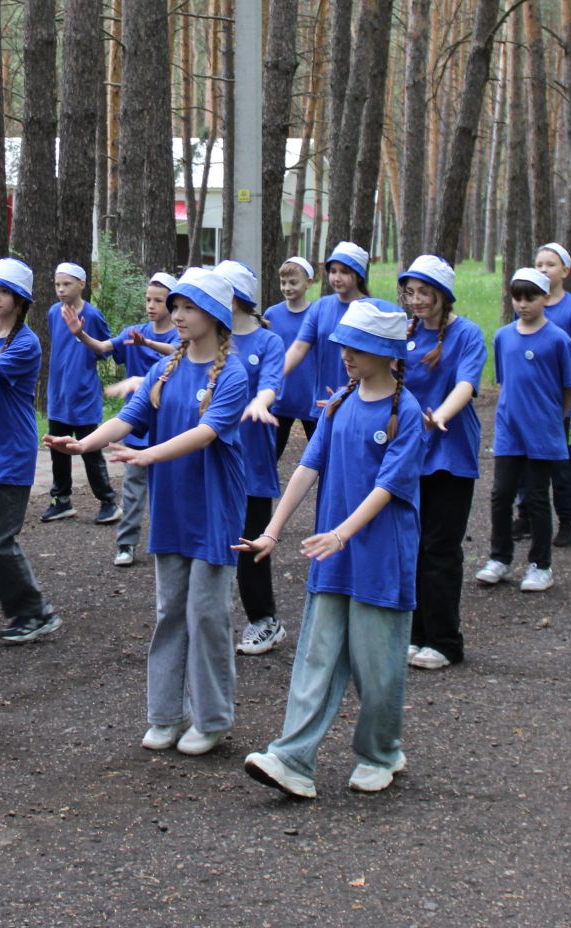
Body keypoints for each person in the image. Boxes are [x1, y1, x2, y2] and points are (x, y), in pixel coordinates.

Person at [47, 267, 249, 757]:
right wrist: (84, 444)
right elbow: (130, 418)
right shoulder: (165, 370)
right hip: (174, 510)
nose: (177, 315)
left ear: (216, 316)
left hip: (215, 510)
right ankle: (165, 714)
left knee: (206, 615)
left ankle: (211, 717)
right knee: (169, 612)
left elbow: (205, 434)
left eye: (188, 308)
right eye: (175, 307)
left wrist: (149, 455)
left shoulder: (235, 374)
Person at [238, 300, 425, 799]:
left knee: (377, 668)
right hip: (331, 561)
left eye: (357, 347)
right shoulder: (339, 403)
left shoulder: (405, 412)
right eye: (343, 345)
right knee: (315, 660)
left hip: (381, 560)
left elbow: (388, 487)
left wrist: (343, 532)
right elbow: (306, 467)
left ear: (387, 354)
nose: (344, 354)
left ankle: (381, 753)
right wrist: (273, 532)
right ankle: (292, 759)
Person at [396, 256, 487, 670]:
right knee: (411, 547)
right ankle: (415, 634)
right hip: (410, 453)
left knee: (440, 548)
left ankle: (446, 641)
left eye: (424, 293)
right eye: (410, 292)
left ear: (442, 296)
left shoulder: (467, 334)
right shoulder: (405, 334)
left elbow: (466, 384)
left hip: (450, 455)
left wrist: (443, 416)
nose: (416, 300)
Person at [0, 257, 60, 643]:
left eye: (4, 291)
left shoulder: (26, 342)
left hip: (11, 452)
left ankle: (34, 612)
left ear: (20, 300)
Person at [475, 269, 571, 594]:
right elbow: (505, 381)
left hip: (543, 432)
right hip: (509, 431)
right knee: (501, 494)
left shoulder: (559, 340)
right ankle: (500, 558)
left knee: (536, 497)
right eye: (517, 297)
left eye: (530, 297)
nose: (522, 304)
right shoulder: (504, 336)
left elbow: (570, 387)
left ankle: (540, 564)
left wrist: (554, 417)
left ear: (545, 298)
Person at [215, 260, 290, 657]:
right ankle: (209, 619)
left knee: (249, 545)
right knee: (212, 542)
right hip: (213, 459)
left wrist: (260, 402)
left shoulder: (267, 342)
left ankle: (265, 620)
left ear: (237, 298)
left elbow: (271, 383)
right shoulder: (213, 337)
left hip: (253, 461)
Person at [520, 242, 571, 548]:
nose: (543, 269)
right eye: (539, 264)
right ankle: (524, 515)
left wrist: (568, 385)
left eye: (550, 264)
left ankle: (566, 521)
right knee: (525, 462)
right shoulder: (525, 306)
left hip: (562, 407)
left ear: (565, 271)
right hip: (529, 405)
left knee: (561, 465)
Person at [107, 271, 181, 566]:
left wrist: (148, 345)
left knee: (171, 489)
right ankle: (126, 543)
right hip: (139, 430)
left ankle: (173, 542)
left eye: (158, 300)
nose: (151, 305)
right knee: (133, 489)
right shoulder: (132, 331)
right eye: (148, 299)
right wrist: (79, 334)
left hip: (171, 431)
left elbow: (179, 352)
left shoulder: (181, 334)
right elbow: (103, 348)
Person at [42, 261, 117, 524]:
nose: (61, 290)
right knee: (58, 450)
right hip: (58, 396)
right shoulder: (53, 312)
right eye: (57, 284)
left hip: (84, 397)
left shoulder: (93, 316)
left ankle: (108, 501)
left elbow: (106, 350)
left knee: (90, 451)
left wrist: (83, 335)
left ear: (81, 284)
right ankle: (61, 500)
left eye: (67, 284)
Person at [281, 241, 373, 409]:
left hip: (359, 404)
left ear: (359, 275)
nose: (336, 277)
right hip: (323, 403)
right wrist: (273, 377)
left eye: (344, 272)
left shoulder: (371, 310)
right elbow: (298, 348)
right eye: (333, 271)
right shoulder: (321, 307)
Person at [264, 256, 318, 462]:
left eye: (293, 282)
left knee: (320, 457)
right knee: (270, 454)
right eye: (283, 283)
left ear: (308, 282)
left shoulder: (317, 312)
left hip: (310, 397)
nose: (287, 288)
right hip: (281, 397)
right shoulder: (272, 314)